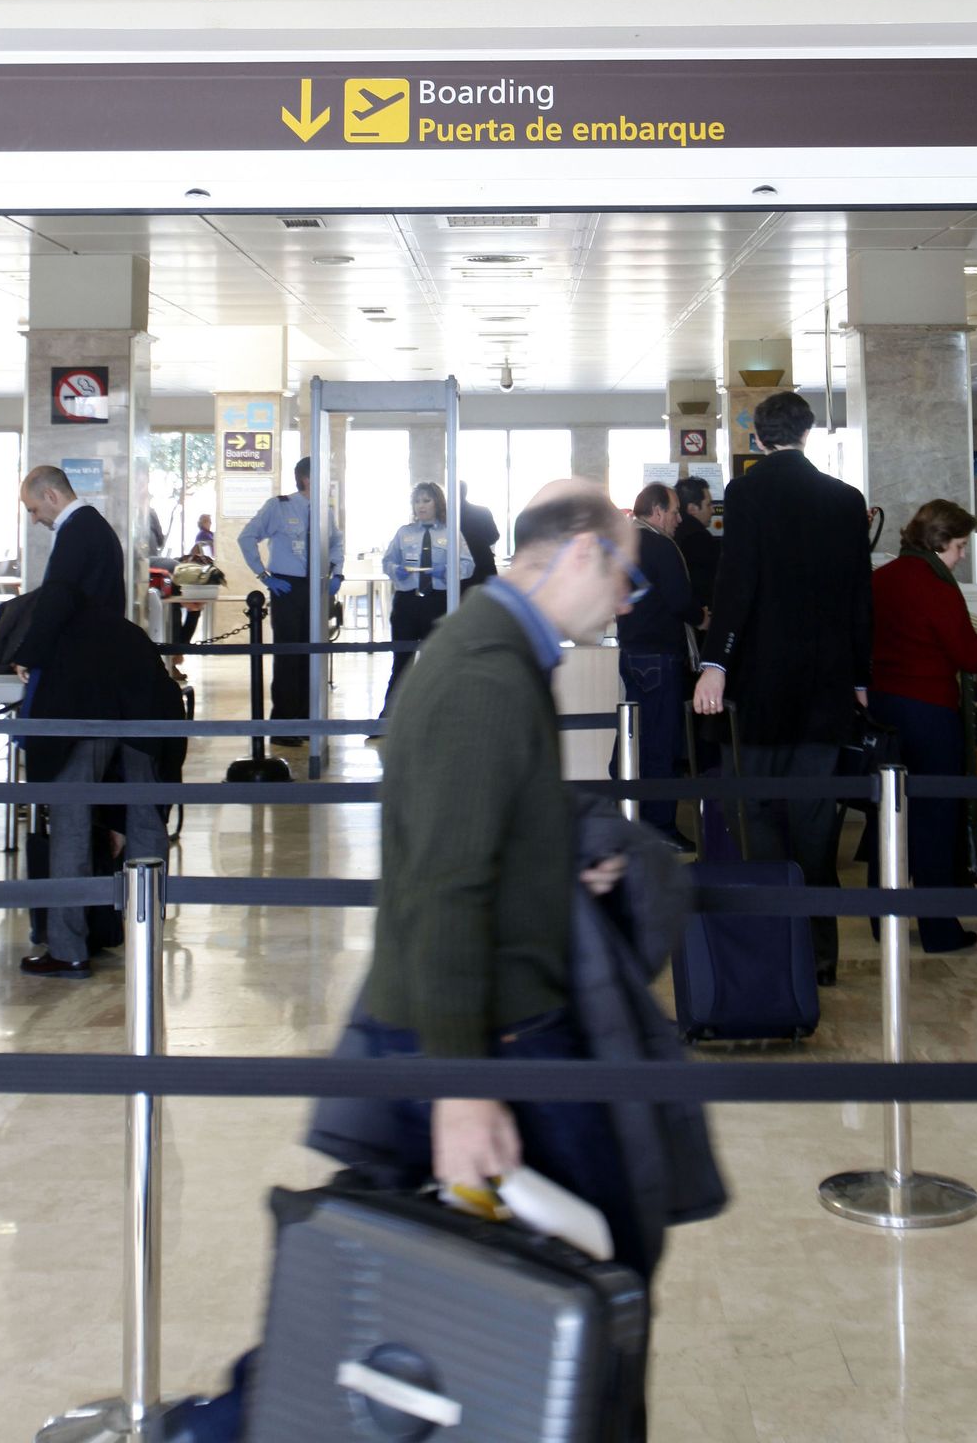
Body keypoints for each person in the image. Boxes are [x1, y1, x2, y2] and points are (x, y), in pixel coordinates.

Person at [354, 482, 665, 1436]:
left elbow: (487, 836)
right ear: (576, 554)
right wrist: (460, 1089)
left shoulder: (504, 655)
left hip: (502, 1027)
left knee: (587, 1289)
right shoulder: (484, 673)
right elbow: (444, 887)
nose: (625, 601)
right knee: (584, 1297)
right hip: (484, 1043)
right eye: (625, 576)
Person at [693, 391, 873, 986]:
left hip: (762, 684)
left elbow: (737, 580)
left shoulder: (746, 493)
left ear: (757, 438)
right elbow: (858, 597)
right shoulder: (846, 500)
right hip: (824, 687)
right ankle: (822, 956)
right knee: (816, 821)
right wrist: (860, 677)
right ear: (808, 433)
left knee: (759, 814)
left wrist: (716, 662)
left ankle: (778, 946)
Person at [868, 498, 977, 953]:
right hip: (930, 711)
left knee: (887, 813)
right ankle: (938, 928)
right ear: (939, 543)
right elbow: (970, 656)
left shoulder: (882, 578)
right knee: (935, 817)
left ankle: (880, 917)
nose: (963, 555)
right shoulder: (936, 584)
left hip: (883, 707)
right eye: (959, 546)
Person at [13, 597, 187, 978]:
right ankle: (147, 934)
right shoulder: (124, 629)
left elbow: (41, 734)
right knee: (146, 820)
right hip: (148, 726)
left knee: (70, 822)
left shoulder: (55, 636)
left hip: (86, 723)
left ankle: (68, 948)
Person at [237, 456, 344, 740]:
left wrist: (337, 573)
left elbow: (335, 542)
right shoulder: (279, 506)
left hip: (317, 586)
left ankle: (307, 723)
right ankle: (284, 726)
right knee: (288, 657)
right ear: (307, 478)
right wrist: (263, 575)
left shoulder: (324, 512)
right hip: (288, 588)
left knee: (311, 656)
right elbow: (247, 537)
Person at [611, 482, 694, 844]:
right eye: (675, 511)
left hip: (631, 652)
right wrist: (702, 616)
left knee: (633, 738)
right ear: (657, 512)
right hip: (659, 655)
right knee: (661, 743)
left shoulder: (622, 544)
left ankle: (627, 817)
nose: (678, 519)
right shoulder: (661, 546)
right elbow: (680, 601)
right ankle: (660, 828)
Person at [380, 480, 474, 711]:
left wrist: (448, 571)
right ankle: (388, 718)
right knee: (401, 661)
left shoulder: (451, 533)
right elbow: (388, 561)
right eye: (417, 501)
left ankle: (439, 715)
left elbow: (468, 565)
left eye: (426, 500)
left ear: (437, 503)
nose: (420, 506)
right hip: (407, 603)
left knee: (438, 662)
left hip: (437, 602)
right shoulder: (404, 533)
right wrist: (395, 570)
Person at [18, 466, 126, 662]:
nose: (34, 520)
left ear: (50, 495)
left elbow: (58, 594)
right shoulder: (93, 523)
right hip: (102, 646)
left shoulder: (76, 530)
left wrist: (29, 655)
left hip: (82, 652)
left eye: (33, 510)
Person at [673, 475, 722, 631]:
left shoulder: (673, 533)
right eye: (708, 505)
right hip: (699, 621)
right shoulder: (698, 538)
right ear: (693, 509)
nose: (713, 510)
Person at [458, 478, 500, 588]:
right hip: (483, 561)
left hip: (460, 565)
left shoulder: (446, 515)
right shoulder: (482, 511)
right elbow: (494, 536)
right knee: (484, 600)